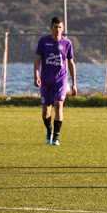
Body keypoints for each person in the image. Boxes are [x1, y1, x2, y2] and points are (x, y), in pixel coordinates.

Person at [34, 17, 77, 145]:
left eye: (60, 27)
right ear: (51, 28)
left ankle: (56, 138)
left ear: (62, 28)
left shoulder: (67, 43)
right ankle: (49, 130)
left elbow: (71, 63)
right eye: (55, 27)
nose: (57, 30)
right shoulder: (43, 41)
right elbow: (37, 61)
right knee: (46, 111)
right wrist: (36, 76)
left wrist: (74, 83)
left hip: (61, 80)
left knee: (59, 106)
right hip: (46, 81)